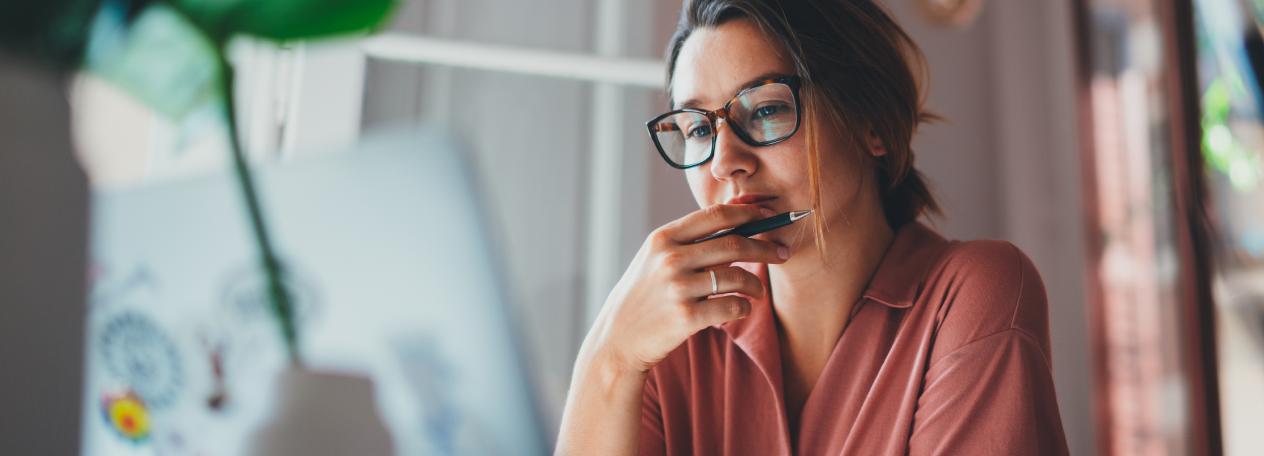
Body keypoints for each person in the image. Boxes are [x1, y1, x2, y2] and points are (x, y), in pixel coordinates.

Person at [556, 0, 1069, 454]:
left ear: (871, 122)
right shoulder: (670, 341)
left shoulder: (973, 295)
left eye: (767, 110)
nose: (724, 162)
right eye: (697, 128)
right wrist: (609, 359)